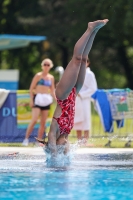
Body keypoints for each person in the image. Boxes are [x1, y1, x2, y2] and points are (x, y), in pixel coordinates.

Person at [36, 19, 109, 156]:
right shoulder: (66, 134)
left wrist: (54, 155)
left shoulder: (55, 132)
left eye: (60, 148)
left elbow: (51, 141)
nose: (64, 147)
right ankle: (94, 31)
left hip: (63, 96)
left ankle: (89, 28)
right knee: (83, 59)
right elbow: (66, 152)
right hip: (74, 95)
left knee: (76, 59)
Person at [22, 58, 55, 146]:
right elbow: (31, 88)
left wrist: (56, 99)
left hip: (46, 100)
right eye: (45, 64)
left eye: (48, 65)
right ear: (42, 66)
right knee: (34, 119)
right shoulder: (38, 75)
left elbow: (52, 90)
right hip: (37, 98)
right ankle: (26, 139)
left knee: (43, 122)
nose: (46, 66)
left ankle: (39, 141)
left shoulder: (51, 77)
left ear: (50, 66)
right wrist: (31, 100)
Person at [73, 58, 97, 144]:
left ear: (88, 63)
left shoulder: (90, 74)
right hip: (77, 99)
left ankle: (85, 141)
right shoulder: (77, 73)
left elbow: (93, 88)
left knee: (86, 119)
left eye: (85, 62)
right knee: (78, 119)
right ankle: (79, 141)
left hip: (85, 99)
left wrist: (81, 94)